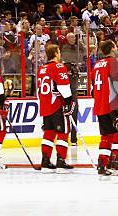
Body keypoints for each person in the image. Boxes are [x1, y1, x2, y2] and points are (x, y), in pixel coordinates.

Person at [91, 40, 118, 179]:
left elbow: (93, 88)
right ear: (111, 49)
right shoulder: (116, 63)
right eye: (115, 47)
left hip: (100, 105)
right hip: (114, 104)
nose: (116, 49)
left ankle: (102, 164)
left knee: (106, 137)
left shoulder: (97, 65)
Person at [36, 44, 74, 172]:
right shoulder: (59, 66)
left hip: (45, 105)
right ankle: (61, 161)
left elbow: (38, 90)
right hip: (57, 104)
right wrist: (68, 101)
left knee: (49, 133)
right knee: (63, 133)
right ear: (56, 53)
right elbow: (63, 87)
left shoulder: (41, 69)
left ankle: (45, 161)